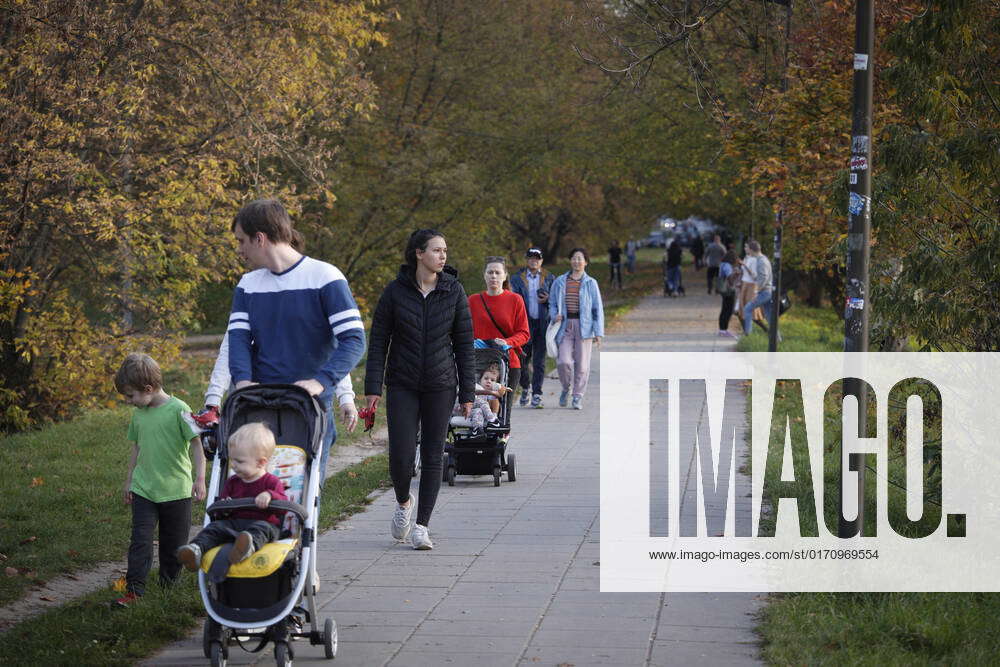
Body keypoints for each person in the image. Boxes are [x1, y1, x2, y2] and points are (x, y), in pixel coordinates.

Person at [226, 199, 365, 484]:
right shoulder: (248, 285)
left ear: (260, 238)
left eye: (241, 241)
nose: (239, 249)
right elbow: (238, 339)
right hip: (259, 404)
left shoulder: (325, 277)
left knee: (302, 494)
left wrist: (320, 381)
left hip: (308, 409)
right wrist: (242, 381)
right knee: (253, 489)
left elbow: (354, 340)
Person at [364, 229, 475, 550]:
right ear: (418, 253)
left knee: (433, 454)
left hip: (441, 384)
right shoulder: (394, 292)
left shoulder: (454, 291)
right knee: (400, 457)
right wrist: (373, 387)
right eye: (437, 250)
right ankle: (403, 502)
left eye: (445, 250)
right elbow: (379, 341)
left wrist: (467, 392)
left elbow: (464, 344)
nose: (443, 255)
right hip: (402, 383)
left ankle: (422, 526)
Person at [115, 353, 206, 607]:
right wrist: (129, 481)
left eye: (131, 396)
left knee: (173, 543)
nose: (129, 401)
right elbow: (136, 448)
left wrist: (200, 479)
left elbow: (197, 445)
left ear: (148, 389)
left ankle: (169, 586)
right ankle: (134, 590)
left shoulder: (179, 410)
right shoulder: (138, 415)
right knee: (140, 540)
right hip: (144, 489)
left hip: (176, 491)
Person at [195, 333, 360, 452]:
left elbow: (333, 348)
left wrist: (345, 396)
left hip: (308, 400)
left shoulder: (318, 297)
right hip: (256, 398)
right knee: (253, 456)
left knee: (309, 459)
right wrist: (213, 399)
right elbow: (231, 346)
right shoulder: (252, 296)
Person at [176, 423, 288, 582]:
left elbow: (283, 506)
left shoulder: (271, 482)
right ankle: (196, 549)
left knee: (262, 529)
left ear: (261, 463)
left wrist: (270, 495)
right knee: (215, 528)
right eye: (232, 460)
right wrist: (225, 506)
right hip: (234, 524)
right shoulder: (232, 482)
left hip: (263, 523)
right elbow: (221, 510)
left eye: (239, 461)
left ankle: (247, 547)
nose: (233, 465)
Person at [469, 256, 530, 408]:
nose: (493, 276)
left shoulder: (515, 300)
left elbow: (524, 333)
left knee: (503, 411)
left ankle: (503, 426)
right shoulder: (473, 301)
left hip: (507, 361)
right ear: (484, 275)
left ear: (505, 275)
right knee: (477, 407)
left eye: (497, 272)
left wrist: (507, 342)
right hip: (478, 362)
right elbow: (465, 330)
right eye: (490, 272)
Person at [549, 248, 604, 410]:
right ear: (570, 261)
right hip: (565, 326)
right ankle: (566, 388)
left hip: (585, 327)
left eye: (580, 258)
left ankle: (577, 396)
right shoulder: (560, 281)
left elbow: (597, 308)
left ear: (586, 262)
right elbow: (552, 302)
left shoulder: (591, 283)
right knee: (563, 362)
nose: (577, 261)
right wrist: (554, 315)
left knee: (582, 365)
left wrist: (598, 332)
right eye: (574, 258)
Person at [509, 247, 555, 408]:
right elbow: (512, 300)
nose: (534, 260)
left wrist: (549, 299)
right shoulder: (517, 279)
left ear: (541, 260)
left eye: (537, 258)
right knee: (522, 359)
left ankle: (537, 393)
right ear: (526, 260)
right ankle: (525, 387)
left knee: (539, 361)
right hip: (524, 325)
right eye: (531, 257)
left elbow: (557, 300)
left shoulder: (549, 277)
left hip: (542, 324)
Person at [453, 362, 508, 435]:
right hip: (461, 408)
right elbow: (471, 392)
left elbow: (497, 397)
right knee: (481, 401)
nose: (488, 381)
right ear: (480, 380)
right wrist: (491, 392)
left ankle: (477, 430)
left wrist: (501, 389)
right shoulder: (476, 386)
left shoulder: (491, 395)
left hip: (470, 413)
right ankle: (492, 420)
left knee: (478, 411)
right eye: (486, 378)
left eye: (492, 380)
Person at [742, 240, 774, 336]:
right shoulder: (762, 259)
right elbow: (761, 277)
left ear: (752, 250)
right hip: (767, 291)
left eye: (748, 248)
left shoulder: (761, 261)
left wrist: (756, 291)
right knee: (769, 316)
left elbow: (764, 278)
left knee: (747, 309)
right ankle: (777, 338)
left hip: (765, 292)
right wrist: (754, 276)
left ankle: (748, 335)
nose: (747, 250)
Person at [716, 250, 740, 338]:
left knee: (724, 309)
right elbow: (730, 279)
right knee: (728, 310)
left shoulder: (723, 264)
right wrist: (736, 273)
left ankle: (722, 330)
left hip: (724, 289)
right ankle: (724, 330)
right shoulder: (727, 266)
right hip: (729, 290)